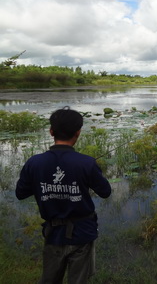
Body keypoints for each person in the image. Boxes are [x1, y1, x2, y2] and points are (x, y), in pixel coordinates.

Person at [15, 106, 112, 284]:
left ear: (51, 131)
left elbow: (20, 193)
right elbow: (105, 192)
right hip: (82, 234)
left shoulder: (34, 163)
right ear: (78, 133)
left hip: (53, 234)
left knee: (49, 280)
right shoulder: (87, 163)